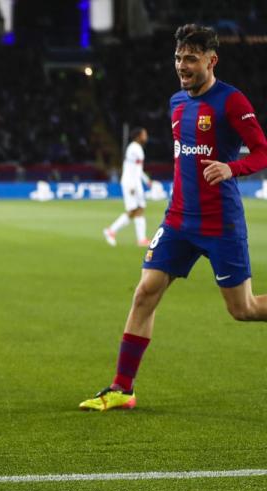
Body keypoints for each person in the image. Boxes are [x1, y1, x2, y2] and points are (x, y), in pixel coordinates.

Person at [81, 24, 267, 411]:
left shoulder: (231, 101)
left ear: (211, 61)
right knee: (145, 291)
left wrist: (233, 168)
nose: (183, 65)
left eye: (191, 59)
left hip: (220, 223)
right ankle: (122, 388)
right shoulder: (176, 102)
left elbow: (262, 151)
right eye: (179, 58)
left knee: (243, 310)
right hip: (178, 220)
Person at [103, 127, 151, 247]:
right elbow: (134, 170)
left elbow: (136, 169)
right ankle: (111, 231)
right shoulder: (135, 149)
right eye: (144, 134)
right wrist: (134, 185)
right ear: (138, 136)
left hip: (133, 181)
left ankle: (141, 239)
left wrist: (146, 180)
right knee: (133, 210)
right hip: (131, 183)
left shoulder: (134, 148)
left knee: (139, 209)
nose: (146, 137)